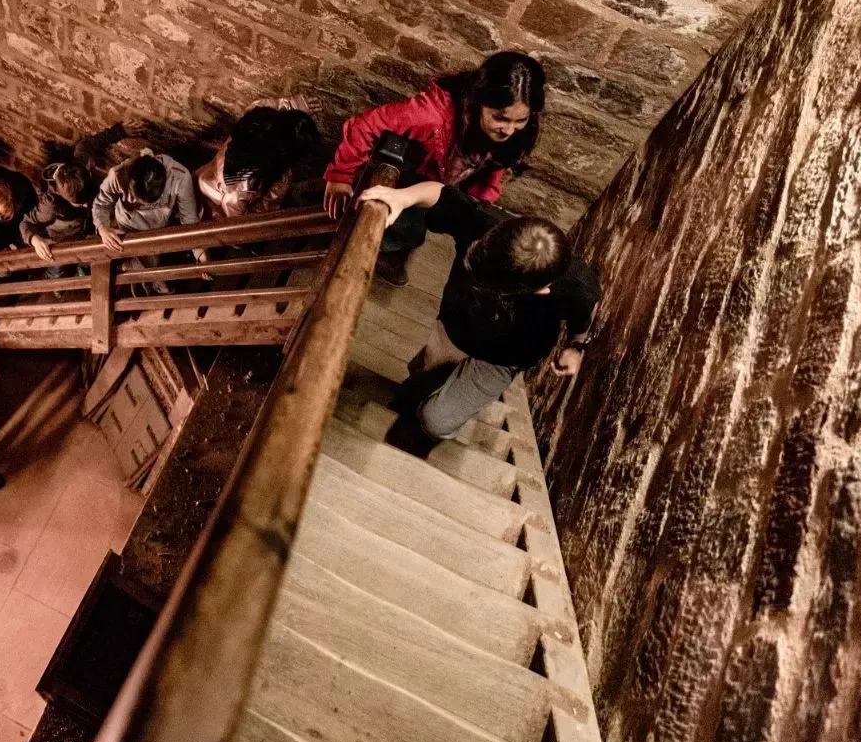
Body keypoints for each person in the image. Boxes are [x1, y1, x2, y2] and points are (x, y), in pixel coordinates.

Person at [357, 180, 599, 448]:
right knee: (421, 379)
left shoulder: (577, 287)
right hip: (456, 326)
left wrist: (576, 347)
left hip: (504, 358)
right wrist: (402, 196)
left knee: (436, 421)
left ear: (541, 290)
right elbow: (441, 193)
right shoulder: (484, 222)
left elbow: (582, 319)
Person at [323, 51, 546, 286]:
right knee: (410, 226)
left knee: (423, 223)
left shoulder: (513, 131)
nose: (509, 130)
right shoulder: (430, 114)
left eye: (519, 121)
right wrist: (340, 176)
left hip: (447, 181)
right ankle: (387, 247)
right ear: (480, 100)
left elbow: (495, 164)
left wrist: (479, 204)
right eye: (500, 118)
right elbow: (364, 125)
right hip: (414, 174)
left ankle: (397, 245)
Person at [92, 152, 207, 292]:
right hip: (129, 227)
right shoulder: (117, 175)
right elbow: (101, 204)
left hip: (158, 228)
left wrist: (201, 254)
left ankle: (132, 269)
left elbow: (189, 220)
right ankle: (132, 270)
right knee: (155, 277)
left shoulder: (180, 177)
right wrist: (102, 227)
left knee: (162, 278)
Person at [196, 101, 322, 220]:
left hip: (211, 181)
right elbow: (242, 222)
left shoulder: (253, 129)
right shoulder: (239, 190)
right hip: (214, 208)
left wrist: (292, 103)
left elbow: (259, 104)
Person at [21, 161, 101, 276]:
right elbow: (26, 222)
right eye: (80, 204)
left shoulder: (80, 172)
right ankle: (51, 277)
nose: (85, 205)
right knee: (58, 269)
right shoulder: (49, 207)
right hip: (61, 240)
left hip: (83, 232)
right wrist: (34, 239)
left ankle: (82, 268)